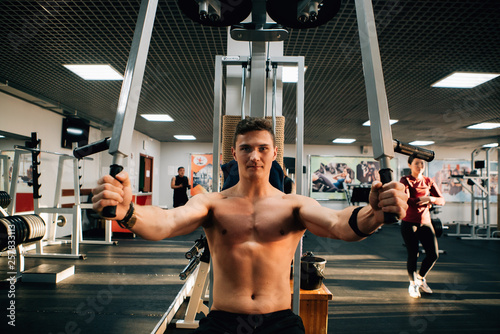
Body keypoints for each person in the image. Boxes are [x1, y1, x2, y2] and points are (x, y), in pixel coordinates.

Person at [92, 117, 408, 333]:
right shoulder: (212, 204)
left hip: (280, 322)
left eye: (262, 148)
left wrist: (374, 214)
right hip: (223, 322)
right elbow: (166, 222)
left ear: (274, 154)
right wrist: (128, 212)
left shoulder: (294, 205)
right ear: (234, 153)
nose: (254, 156)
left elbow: (340, 224)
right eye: (246, 148)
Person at [400, 156, 445, 299]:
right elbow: (407, 200)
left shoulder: (428, 181)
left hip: (425, 222)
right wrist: (425, 200)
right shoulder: (405, 180)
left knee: (433, 255)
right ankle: (412, 284)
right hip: (409, 222)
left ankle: (420, 278)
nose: (420, 166)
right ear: (410, 165)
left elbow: (441, 200)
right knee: (414, 254)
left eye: (422, 164)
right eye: (416, 163)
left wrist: (431, 199)